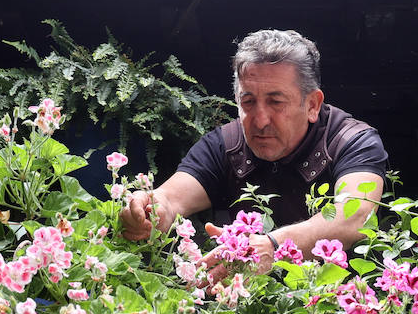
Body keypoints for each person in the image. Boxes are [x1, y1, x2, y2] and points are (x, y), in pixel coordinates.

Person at [119, 29, 387, 284]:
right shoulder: (224, 144)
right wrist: (149, 211)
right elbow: (172, 197)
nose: (260, 120)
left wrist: (274, 246)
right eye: (248, 102)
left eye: (276, 101)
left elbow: (353, 217)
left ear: (312, 105)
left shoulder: (353, 141)